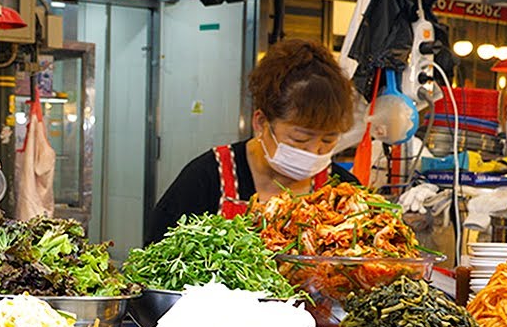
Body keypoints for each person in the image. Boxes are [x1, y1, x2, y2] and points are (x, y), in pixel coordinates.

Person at [148, 38, 358, 242]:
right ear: (261, 122)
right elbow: (156, 258)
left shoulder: (344, 192)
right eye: (300, 138)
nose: (313, 151)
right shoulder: (207, 178)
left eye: (328, 140)